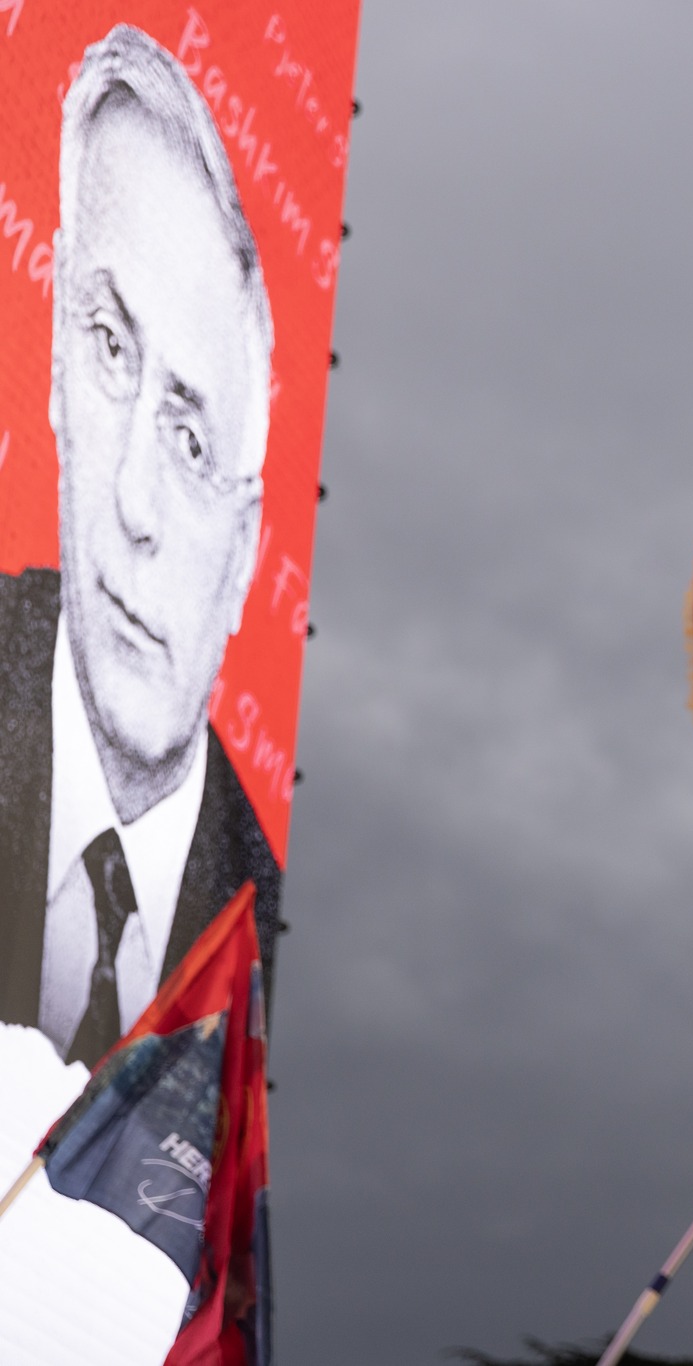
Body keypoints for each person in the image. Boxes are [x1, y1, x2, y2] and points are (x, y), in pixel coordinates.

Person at [0, 25, 280, 1069]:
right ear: (58, 369)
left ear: (247, 551)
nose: (133, 502)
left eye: (194, 438)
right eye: (112, 349)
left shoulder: (264, 968)